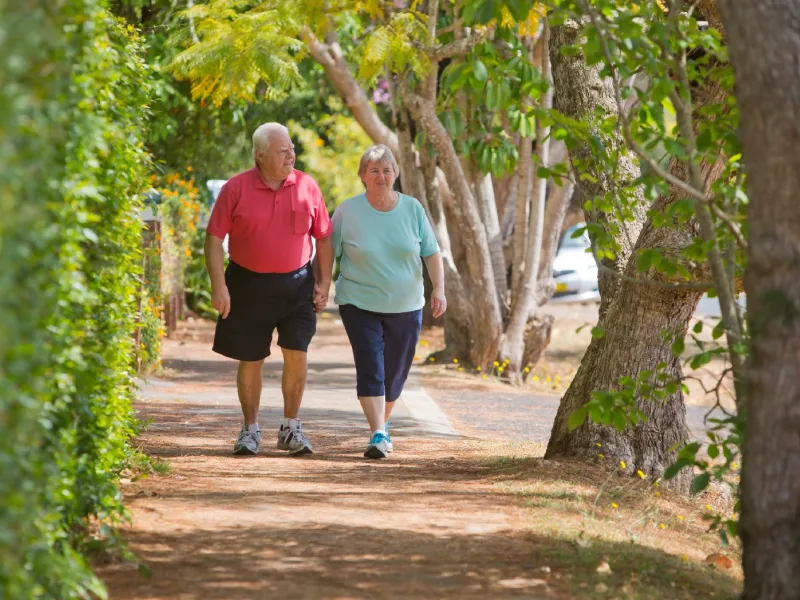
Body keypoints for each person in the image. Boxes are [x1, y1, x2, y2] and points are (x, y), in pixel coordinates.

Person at [205, 122, 333, 456]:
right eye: (282, 150)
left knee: (297, 352)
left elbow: (323, 236)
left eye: (292, 148)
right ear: (259, 155)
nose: (291, 154)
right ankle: (250, 430)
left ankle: (291, 427)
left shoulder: (307, 186)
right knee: (251, 358)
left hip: (298, 284)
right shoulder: (236, 188)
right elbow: (214, 238)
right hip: (247, 283)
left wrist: (323, 281)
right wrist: (219, 287)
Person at [326, 144, 446, 459]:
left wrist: (439, 289)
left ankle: (382, 424)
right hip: (358, 302)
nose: (382, 176)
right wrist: (320, 283)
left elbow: (431, 253)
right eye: (375, 170)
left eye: (387, 170)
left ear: (396, 174)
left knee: (396, 373)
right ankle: (378, 432)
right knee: (371, 366)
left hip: (406, 305)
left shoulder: (412, 209)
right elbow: (327, 252)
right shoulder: (347, 211)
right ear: (363, 176)